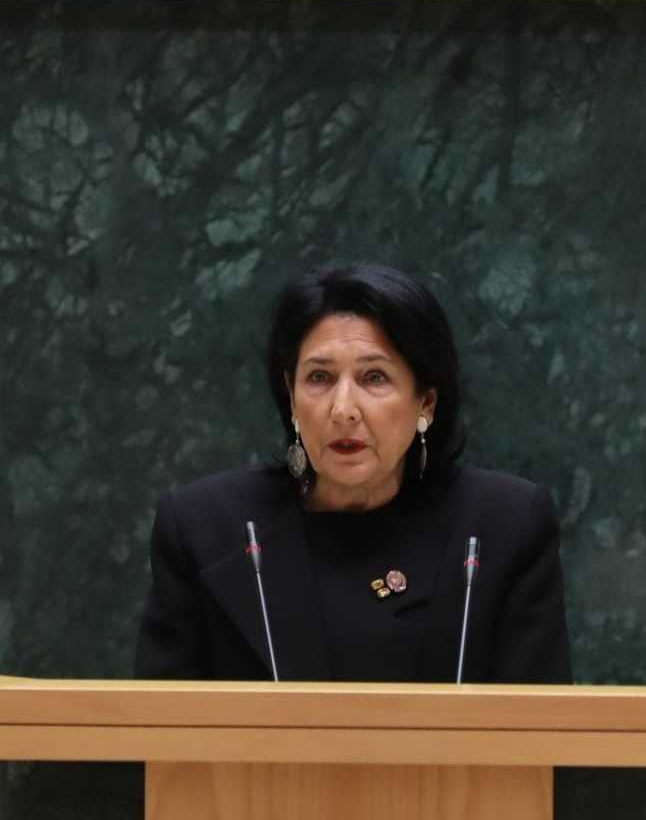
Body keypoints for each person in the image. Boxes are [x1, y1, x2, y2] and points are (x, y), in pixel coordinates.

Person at [133, 263, 573, 683]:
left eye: (374, 377)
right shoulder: (206, 528)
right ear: (290, 395)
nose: (343, 410)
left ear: (426, 402)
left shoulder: (504, 526)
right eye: (320, 377)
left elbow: (542, 739)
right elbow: (160, 735)